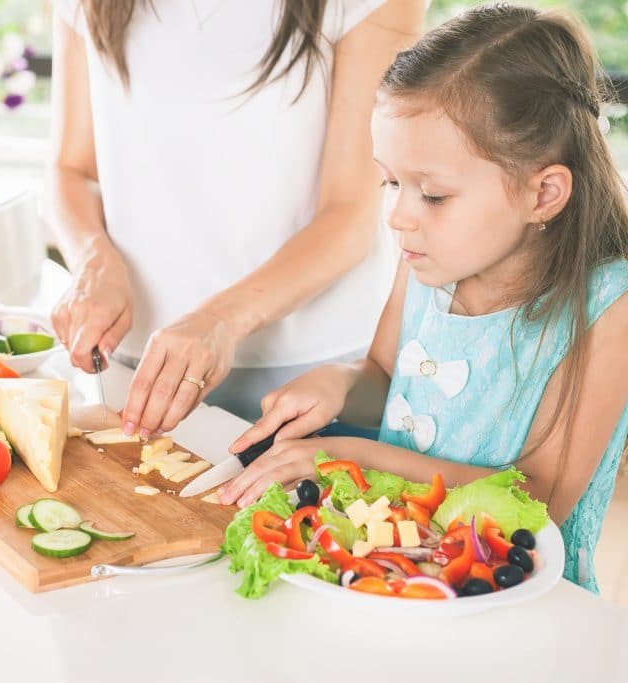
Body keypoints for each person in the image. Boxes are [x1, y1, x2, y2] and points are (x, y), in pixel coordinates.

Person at [219, 4, 628, 592]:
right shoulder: (431, 260)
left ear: (543, 194)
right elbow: (384, 371)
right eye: (390, 181)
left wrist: (348, 458)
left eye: (432, 194)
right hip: (393, 568)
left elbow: (538, 499)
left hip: (511, 599)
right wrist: (339, 382)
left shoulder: (605, 307)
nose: (398, 216)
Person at [46, 1, 426, 438]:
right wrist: (94, 263)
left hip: (311, 381)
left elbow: (350, 214)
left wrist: (220, 320)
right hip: (135, 368)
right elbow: (69, 169)